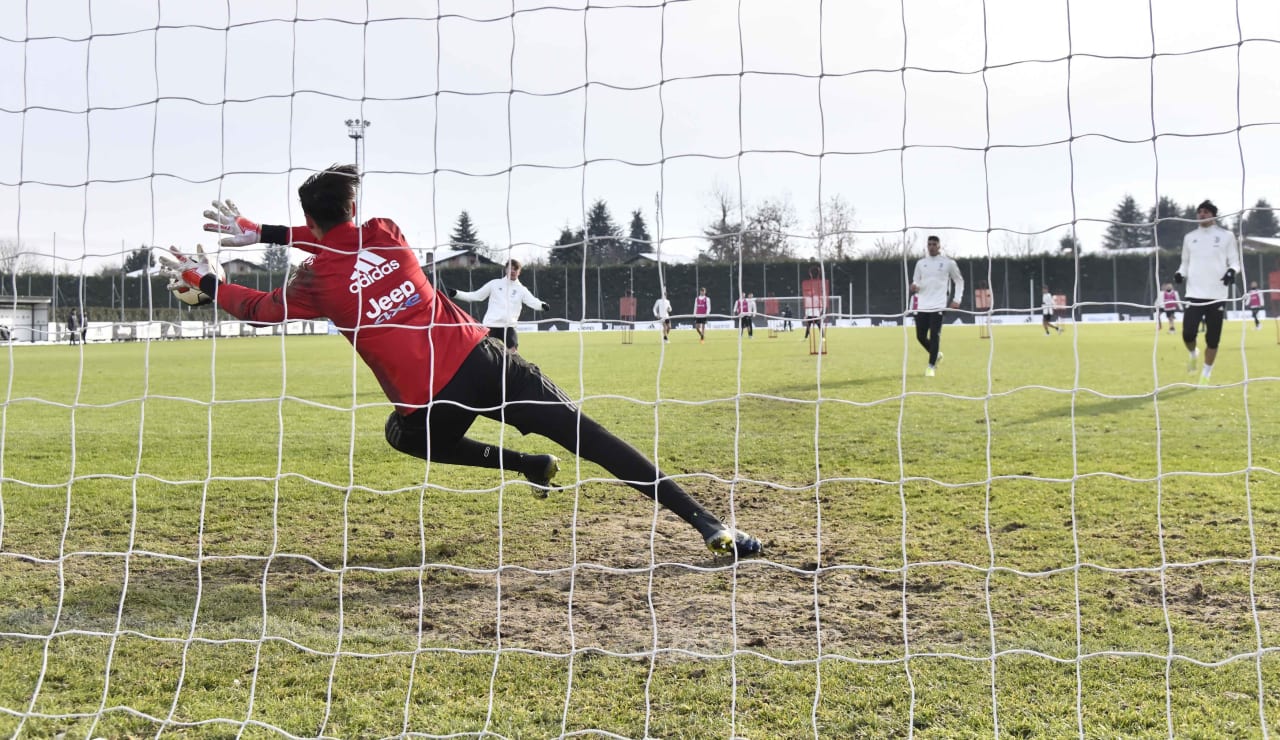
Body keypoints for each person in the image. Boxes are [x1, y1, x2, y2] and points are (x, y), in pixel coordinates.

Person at [174, 165, 759, 558]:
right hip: (486, 361)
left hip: (433, 400)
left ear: (311, 219)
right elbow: (338, 239)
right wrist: (267, 233)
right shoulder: (385, 233)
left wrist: (209, 280)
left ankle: (524, 464)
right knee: (593, 438)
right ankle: (707, 523)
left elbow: (260, 308)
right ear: (354, 206)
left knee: (403, 436)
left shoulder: (315, 282)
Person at [1175, 199, 1240, 386]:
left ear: (1213, 215)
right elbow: (1185, 263)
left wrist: (1231, 271)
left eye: (1206, 212)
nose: (1202, 214)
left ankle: (1206, 374)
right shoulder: (1190, 237)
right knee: (1188, 334)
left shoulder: (1226, 236)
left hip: (1217, 295)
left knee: (1213, 339)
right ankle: (1193, 353)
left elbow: (1235, 262)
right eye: (1200, 211)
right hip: (1194, 293)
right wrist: (1180, 273)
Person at [446, 259, 547, 353]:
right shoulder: (494, 284)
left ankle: (508, 367)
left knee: (513, 351)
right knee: (484, 353)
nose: (512, 271)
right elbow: (476, 296)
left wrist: (542, 306)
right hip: (491, 324)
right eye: (510, 268)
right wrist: (457, 294)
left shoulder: (522, 289)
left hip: (508, 326)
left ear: (519, 272)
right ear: (505, 270)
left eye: (515, 269)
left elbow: (532, 301)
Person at [910, 235, 964, 377]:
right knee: (920, 336)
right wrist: (914, 286)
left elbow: (959, 281)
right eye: (929, 244)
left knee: (935, 335)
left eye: (934, 244)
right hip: (922, 304)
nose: (932, 247)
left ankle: (931, 367)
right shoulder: (920, 263)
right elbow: (916, 281)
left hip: (939, 304)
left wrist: (957, 299)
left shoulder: (948, 263)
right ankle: (936, 355)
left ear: (939, 246)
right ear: (927, 246)